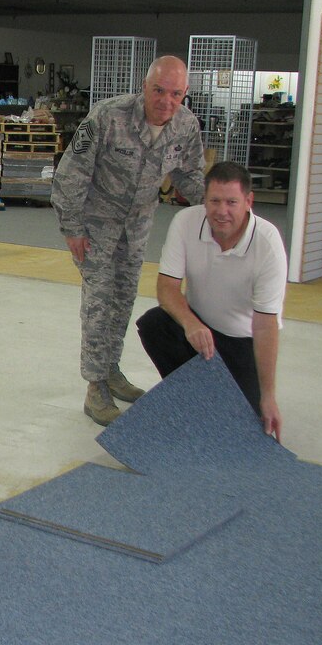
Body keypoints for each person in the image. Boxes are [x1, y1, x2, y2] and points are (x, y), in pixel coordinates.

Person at [52, 55, 206, 426]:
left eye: (176, 94)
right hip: (96, 226)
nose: (166, 101)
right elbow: (71, 173)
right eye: (159, 90)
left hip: (137, 229)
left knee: (122, 301)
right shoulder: (108, 116)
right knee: (99, 302)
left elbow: (190, 177)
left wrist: (218, 208)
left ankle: (111, 370)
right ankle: (95, 386)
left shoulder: (186, 127)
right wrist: (72, 228)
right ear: (144, 86)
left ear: (185, 95)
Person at [136, 161, 287, 440]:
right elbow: (167, 288)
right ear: (204, 200)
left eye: (232, 202)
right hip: (201, 334)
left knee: (242, 427)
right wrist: (191, 324)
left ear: (248, 201)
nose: (222, 211)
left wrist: (269, 396)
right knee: (154, 324)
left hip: (242, 342)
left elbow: (265, 325)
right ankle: (188, 398)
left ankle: (217, 397)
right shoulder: (186, 222)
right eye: (214, 201)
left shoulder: (268, 244)